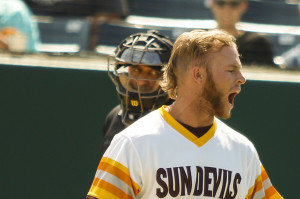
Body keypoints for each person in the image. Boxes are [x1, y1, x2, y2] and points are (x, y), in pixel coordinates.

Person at [86, 29, 283, 198]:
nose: (242, 79)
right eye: (231, 70)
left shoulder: (243, 150)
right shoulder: (132, 144)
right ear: (198, 75)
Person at [102, 30, 173, 152]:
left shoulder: (183, 122)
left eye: (152, 73)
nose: (141, 81)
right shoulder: (115, 117)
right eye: (136, 70)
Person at [210, 0, 274, 66]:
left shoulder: (259, 45)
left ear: (243, 6)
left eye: (234, 4)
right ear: (212, 5)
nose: (227, 10)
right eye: (220, 3)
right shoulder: (201, 43)